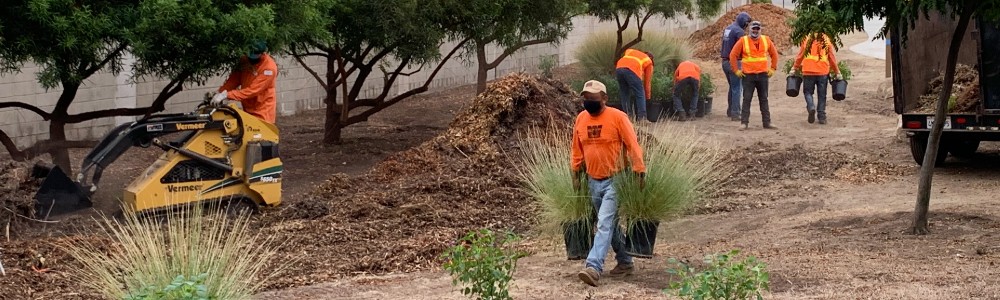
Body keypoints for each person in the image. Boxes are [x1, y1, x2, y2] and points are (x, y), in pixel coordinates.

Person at [571, 80, 646, 287]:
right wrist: (576, 173)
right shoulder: (581, 119)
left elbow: (633, 145)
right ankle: (625, 262)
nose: (588, 101)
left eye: (593, 98)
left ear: (604, 98)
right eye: (585, 98)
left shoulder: (618, 117)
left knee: (604, 222)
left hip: (616, 179)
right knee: (610, 224)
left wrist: (639, 171)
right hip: (593, 180)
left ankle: (593, 267)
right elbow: (577, 148)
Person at [212, 41, 279, 124]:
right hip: (248, 107)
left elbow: (252, 91)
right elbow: (234, 80)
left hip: (263, 110)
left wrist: (227, 95)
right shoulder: (245, 60)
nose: (251, 59)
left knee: (260, 134)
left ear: (262, 53)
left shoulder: (269, 69)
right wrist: (220, 92)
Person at [729, 21, 779, 130]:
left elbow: (774, 54)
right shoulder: (743, 40)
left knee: (764, 99)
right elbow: (733, 55)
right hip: (748, 76)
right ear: (749, 29)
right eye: (753, 29)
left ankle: (767, 122)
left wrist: (773, 68)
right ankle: (744, 123)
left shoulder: (766, 40)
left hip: (762, 75)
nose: (755, 31)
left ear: (760, 29)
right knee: (747, 99)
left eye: (757, 29)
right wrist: (736, 70)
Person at [793, 33, 840, 125]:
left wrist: (794, 68)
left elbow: (800, 55)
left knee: (808, 92)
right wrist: (837, 71)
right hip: (822, 72)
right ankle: (821, 117)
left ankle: (811, 107)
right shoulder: (826, 39)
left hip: (808, 71)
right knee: (822, 94)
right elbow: (831, 57)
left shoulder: (806, 39)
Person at [721, 12, 752, 121]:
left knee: (732, 87)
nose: (747, 26)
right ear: (743, 22)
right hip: (734, 62)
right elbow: (743, 49)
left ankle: (730, 110)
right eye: (747, 23)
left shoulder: (728, 28)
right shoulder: (739, 32)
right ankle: (735, 113)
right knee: (737, 88)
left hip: (724, 62)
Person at [615, 49, 654, 123]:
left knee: (624, 93)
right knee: (640, 94)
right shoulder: (649, 62)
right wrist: (648, 97)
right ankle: (642, 118)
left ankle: (628, 118)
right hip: (632, 70)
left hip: (619, 67)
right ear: (651, 58)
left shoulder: (632, 52)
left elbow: (627, 51)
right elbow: (647, 83)